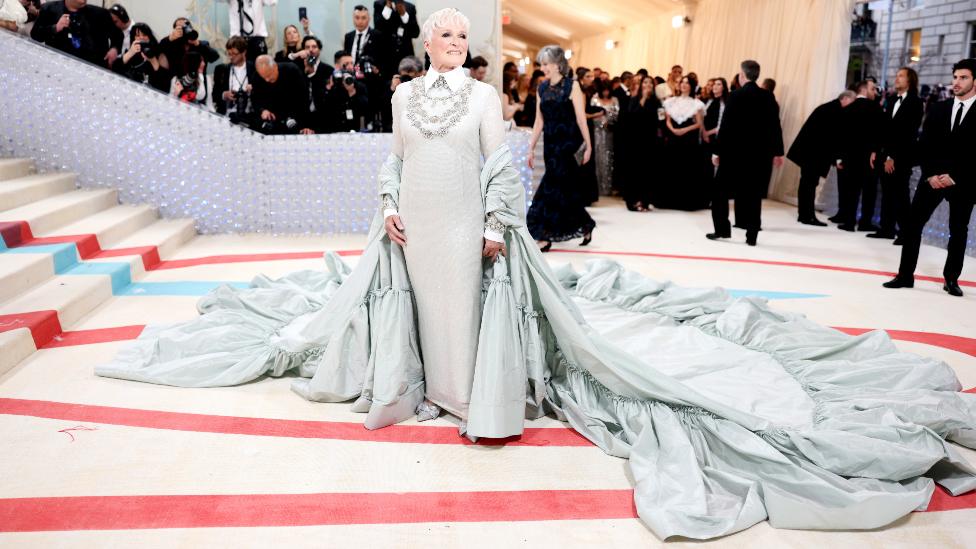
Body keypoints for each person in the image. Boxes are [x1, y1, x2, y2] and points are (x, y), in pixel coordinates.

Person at [94, 10, 976, 540]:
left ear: (468, 47)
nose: (445, 42)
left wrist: (493, 222)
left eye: (456, 35)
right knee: (428, 309)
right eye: (436, 33)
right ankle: (430, 383)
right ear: (424, 43)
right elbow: (396, 160)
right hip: (414, 224)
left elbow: (500, 168)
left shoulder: (483, 98)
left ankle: (474, 389)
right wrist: (389, 202)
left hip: (469, 226)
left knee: (477, 312)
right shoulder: (404, 96)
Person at [883, 58, 976, 297]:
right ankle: (905, 276)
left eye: (963, 77)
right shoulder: (938, 108)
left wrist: (955, 176)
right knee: (913, 226)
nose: (956, 82)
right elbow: (925, 146)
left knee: (959, 231)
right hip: (932, 179)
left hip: (962, 183)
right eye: (955, 77)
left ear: (975, 81)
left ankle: (951, 279)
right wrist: (932, 174)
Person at [525, 45, 595, 250]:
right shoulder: (542, 88)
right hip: (550, 145)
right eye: (541, 64)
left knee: (551, 188)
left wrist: (588, 146)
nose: (543, 68)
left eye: (546, 64)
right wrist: (531, 148)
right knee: (564, 190)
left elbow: (582, 120)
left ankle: (545, 235)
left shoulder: (571, 86)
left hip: (568, 146)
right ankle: (586, 223)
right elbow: (539, 121)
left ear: (557, 65)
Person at [709, 60, 784, 246]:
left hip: (734, 154)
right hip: (759, 155)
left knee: (720, 192)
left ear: (742, 75)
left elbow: (726, 126)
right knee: (754, 195)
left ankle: (722, 230)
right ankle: (752, 235)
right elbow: (775, 126)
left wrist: (716, 151)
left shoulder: (735, 96)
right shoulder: (768, 97)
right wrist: (778, 152)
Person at [868, 67, 924, 241]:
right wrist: (875, 151)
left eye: (901, 76)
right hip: (885, 155)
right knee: (887, 193)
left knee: (901, 196)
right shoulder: (892, 100)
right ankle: (886, 229)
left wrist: (892, 157)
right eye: (897, 75)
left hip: (902, 157)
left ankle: (906, 234)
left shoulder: (916, 102)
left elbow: (907, 133)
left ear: (910, 81)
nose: (896, 78)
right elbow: (884, 129)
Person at [787, 90, 856, 226]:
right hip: (812, 153)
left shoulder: (830, 108)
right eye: (852, 102)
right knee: (809, 184)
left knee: (807, 184)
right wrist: (837, 159)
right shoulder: (832, 111)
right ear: (845, 99)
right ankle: (807, 216)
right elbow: (830, 139)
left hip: (810, 152)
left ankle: (804, 215)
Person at [832, 79, 885, 232]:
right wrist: (876, 150)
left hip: (850, 157)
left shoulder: (848, 108)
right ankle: (865, 222)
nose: (874, 91)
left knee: (851, 191)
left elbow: (840, 135)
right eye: (872, 89)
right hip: (870, 158)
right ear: (863, 89)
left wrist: (839, 157)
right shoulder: (876, 108)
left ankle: (849, 222)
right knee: (869, 192)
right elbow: (881, 133)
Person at [658, 75, 708, 210]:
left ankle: (685, 202)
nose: (684, 85)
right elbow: (666, 119)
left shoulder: (697, 103)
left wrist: (684, 130)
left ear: (691, 86)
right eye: (682, 82)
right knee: (670, 168)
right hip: (673, 139)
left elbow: (699, 124)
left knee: (686, 170)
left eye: (687, 83)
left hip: (688, 141)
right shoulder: (670, 101)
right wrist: (673, 129)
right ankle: (667, 201)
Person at [31, 0, 122, 68]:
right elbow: (35, 35)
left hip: (93, 70)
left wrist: (114, 49)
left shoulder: (101, 14)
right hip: (59, 68)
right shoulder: (49, 9)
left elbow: (118, 35)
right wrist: (55, 28)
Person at [618, 75, 660, 211]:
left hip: (650, 140)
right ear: (641, 85)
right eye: (645, 82)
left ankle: (645, 201)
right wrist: (642, 98)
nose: (648, 85)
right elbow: (632, 116)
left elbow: (659, 119)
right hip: (636, 140)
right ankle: (634, 201)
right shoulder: (635, 100)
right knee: (635, 171)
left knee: (647, 171)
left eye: (650, 83)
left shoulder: (656, 101)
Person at [251, 54, 312, 135]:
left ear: (275, 66)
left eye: (269, 75)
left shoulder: (292, 70)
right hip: (272, 120)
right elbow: (255, 99)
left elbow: (304, 100)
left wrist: (306, 125)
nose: (267, 80)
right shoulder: (256, 76)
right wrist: (262, 110)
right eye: (263, 77)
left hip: (294, 117)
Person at [111, 22, 171, 92]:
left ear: (150, 37)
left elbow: (165, 87)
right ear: (134, 38)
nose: (141, 38)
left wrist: (153, 60)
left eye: (145, 35)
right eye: (137, 35)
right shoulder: (131, 52)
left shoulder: (159, 54)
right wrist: (130, 53)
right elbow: (114, 70)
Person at [213, 35, 257, 125]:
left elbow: (265, 94)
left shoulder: (255, 68)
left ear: (244, 52)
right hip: (226, 118)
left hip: (250, 118)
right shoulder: (221, 70)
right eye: (229, 54)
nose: (231, 57)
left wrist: (253, 89)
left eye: (234, 54)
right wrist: (224, 95)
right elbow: (214, 94)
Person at [326, 50, 369, 132]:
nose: (350, 67)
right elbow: (324, 108)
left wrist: (352, 92)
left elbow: (365, 110)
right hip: (333, 130)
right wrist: (329, 88)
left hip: (354, 130)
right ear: (337, 66)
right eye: (346, 64)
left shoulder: (360, 85)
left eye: (352, 63)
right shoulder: (331, 83)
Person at [345, 4, 391, 77]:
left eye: (363, 18)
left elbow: (384, 59)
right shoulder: (349, 36)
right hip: (352, 77)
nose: (360, 21)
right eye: (357, 18)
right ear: (353, 18)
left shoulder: (377, 36)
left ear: (369, 19)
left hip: (371, 78)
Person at [591, 79, 619, 197]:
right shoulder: (595, 99)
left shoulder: (614, 100)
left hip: (609, 133)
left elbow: (616, 114)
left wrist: (609, 121)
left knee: (608, 158)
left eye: (608, 90)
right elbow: (591, 113)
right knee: (598, 157)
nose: (606, 93)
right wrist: (600, 122)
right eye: (604, 90)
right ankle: (598, 187)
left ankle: (607, 187)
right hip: (597, 132)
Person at [373, 0, 419, 70]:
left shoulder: (410, 7)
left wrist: (404, 15)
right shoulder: (379, 5)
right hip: (386, 56)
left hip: (406, 56)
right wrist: (387, 8)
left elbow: (415, 33)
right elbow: (377, 29)